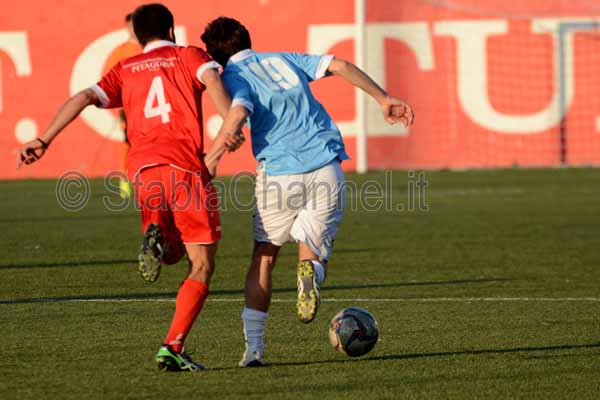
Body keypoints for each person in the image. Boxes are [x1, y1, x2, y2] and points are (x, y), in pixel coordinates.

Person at [18, 4, 245, 372]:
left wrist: (43, 139)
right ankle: (172, 345)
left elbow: (84, 97)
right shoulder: (189, 55)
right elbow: (215, 83)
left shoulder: (125, 68)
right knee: (202, 264)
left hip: (142, 171)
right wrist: (229, 123)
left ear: (138, 37)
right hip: (184, 167)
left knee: (173, 253)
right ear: (171, 30)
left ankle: (159, 240)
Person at [201, 17, 414, 367]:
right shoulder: (283, 58)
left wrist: (213, 156)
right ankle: (311, 272)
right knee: (311, 251)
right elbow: (340, 65)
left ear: (216, 56)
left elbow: (238, 110)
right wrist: (383, 98)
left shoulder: (232, 77)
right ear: (247, 38)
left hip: (278, 175)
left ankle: (254, 350)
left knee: (264, 256)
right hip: (324, 165)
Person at [102, 12, 143, 199]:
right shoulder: (121, 51)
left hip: (150, 103)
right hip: (129, 105)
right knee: (128, 142)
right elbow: (109, 78)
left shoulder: (148, 48)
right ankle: (125, 179)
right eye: (131, 25)